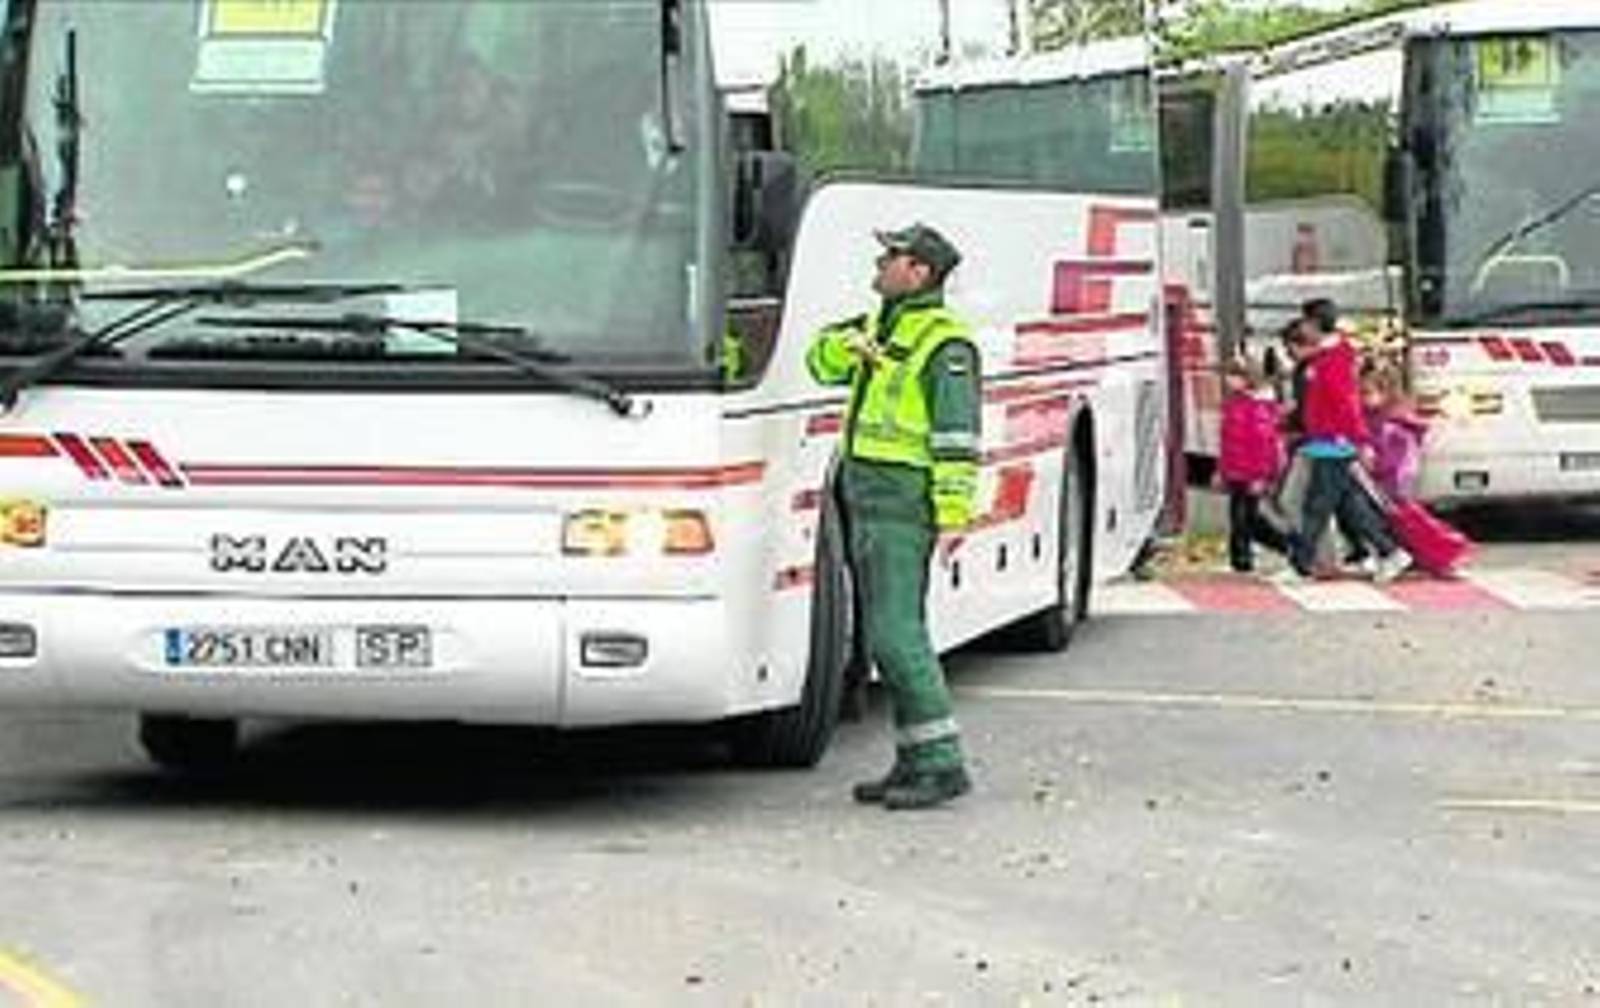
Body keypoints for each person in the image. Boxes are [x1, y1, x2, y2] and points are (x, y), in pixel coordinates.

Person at [805, 223, 979, 811]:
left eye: (892, 256)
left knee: (895, 635)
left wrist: (953, 514)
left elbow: (958, 437)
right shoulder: (878, 325)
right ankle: (914, 758)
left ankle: (941, 761)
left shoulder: (945, 343)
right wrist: (844, 348)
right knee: (888, 632)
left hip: (903, 500)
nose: (879, 263)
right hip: (868, 494)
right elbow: (818, 361)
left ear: (920, 272)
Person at [1285, 298, 1412, 583]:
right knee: (1348, 506)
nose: (1303, 327)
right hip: (1325, 441)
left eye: (1305, 322)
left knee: (1317, 507)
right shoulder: (1327, 356)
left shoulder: (1335, 359)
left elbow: (1346, 404)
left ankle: (1302, 565)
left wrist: (1360, 440)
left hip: (1334, 444)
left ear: (1316, 324)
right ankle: (1388, 551)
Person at [1218, 355, 1292, 572]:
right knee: (1241, 517)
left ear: (1248, 378)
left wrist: (1261, 476)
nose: (1228, 380)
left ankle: (1248, 557)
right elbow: (1226, 441)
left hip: (1251, 474)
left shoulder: (1258, 407)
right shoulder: (1235, 403)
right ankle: (1244, 557)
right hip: (1236, 471)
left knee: (1245, 518)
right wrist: (1221, 470)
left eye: (1233, 375)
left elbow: (1264, 445)